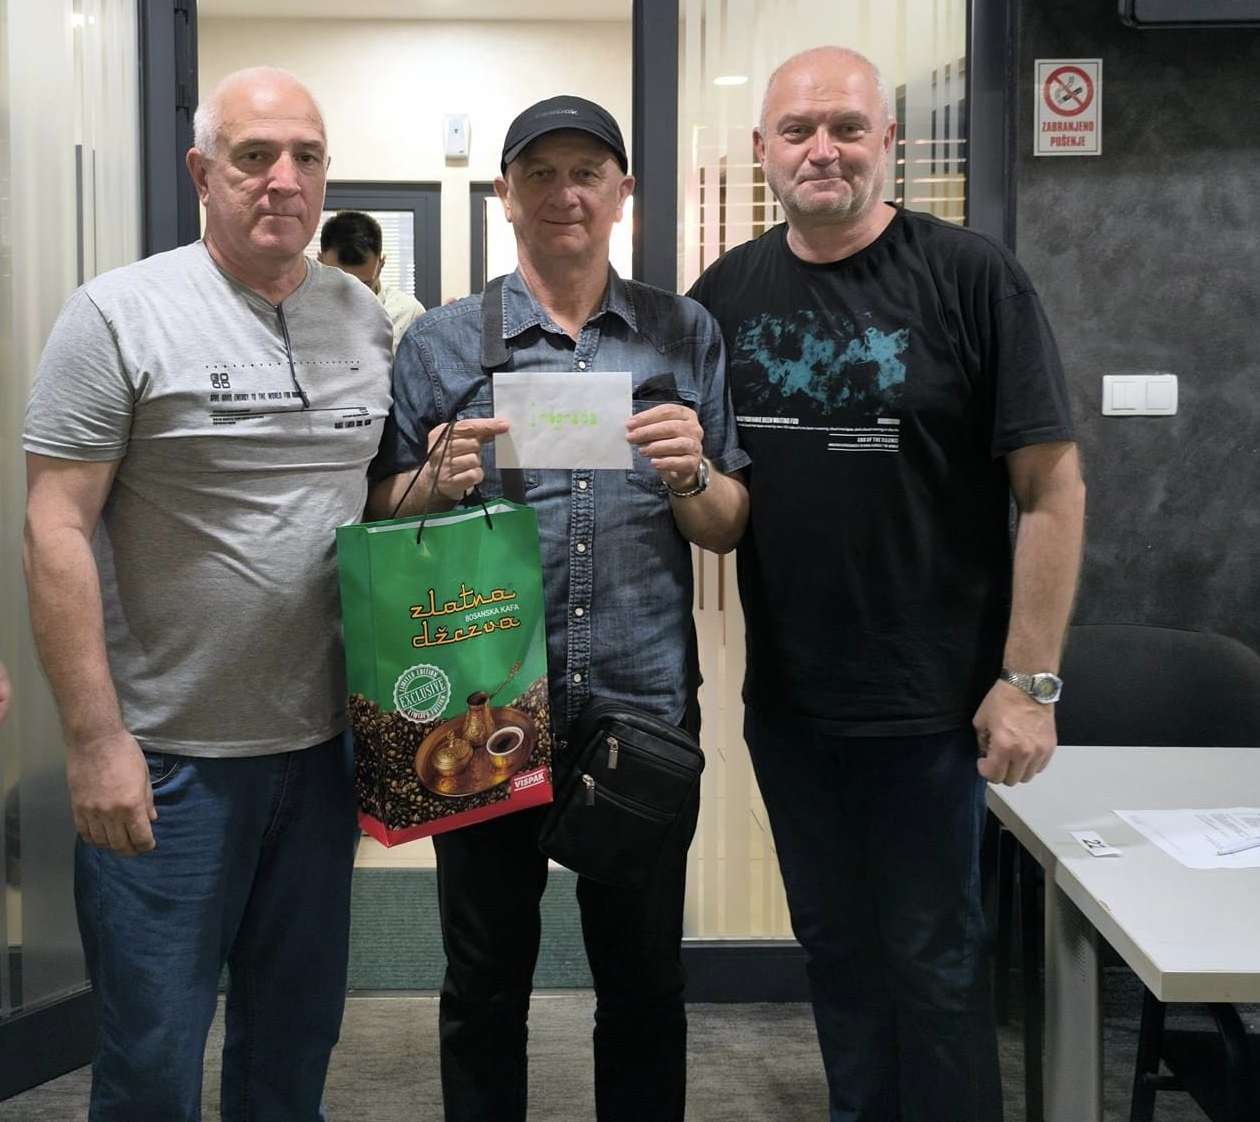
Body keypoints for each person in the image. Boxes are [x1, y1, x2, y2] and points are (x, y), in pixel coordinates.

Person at [688, 46, 1085, 1122]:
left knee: (937, 962)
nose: (823, 149)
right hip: (791, 703)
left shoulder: (972, 278)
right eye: (799, 130)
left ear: (889, 143)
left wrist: (1029, 683)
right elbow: (712, 501)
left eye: (848, 128)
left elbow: (1052, 491)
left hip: (938, 706)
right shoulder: (723, 297)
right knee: (838, 953)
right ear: (764, 150)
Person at [368, 95, 749, 1122]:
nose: (564, 193)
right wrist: (430, 483)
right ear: (505, 194)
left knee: (644, 984)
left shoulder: (684, 333)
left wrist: (692, 472)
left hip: (639, 705)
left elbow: (725, 527)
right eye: (539, 173)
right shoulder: (441, 343)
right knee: (483, 981)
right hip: (484, 706)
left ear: (623, 193)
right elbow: (381, 514)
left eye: (587, 172)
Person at [22, 67, 392, 1121]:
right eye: (254, 156)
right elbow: (54, 528)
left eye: (306, 157)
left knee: (293, 1046)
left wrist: (437, 484)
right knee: (151, 1060)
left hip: (321, 755)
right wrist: (95, 740)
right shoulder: (118, 314)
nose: (283, 180)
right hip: (168, 761)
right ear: (201, 172)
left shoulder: (361, 319)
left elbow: (361, 500)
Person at [318, 209, 424, 349]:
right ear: (320, 261)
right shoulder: (301, 311)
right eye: (340, 282)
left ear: (380, 264)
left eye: (364, 284)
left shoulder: (409, 314)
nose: (351, 295)